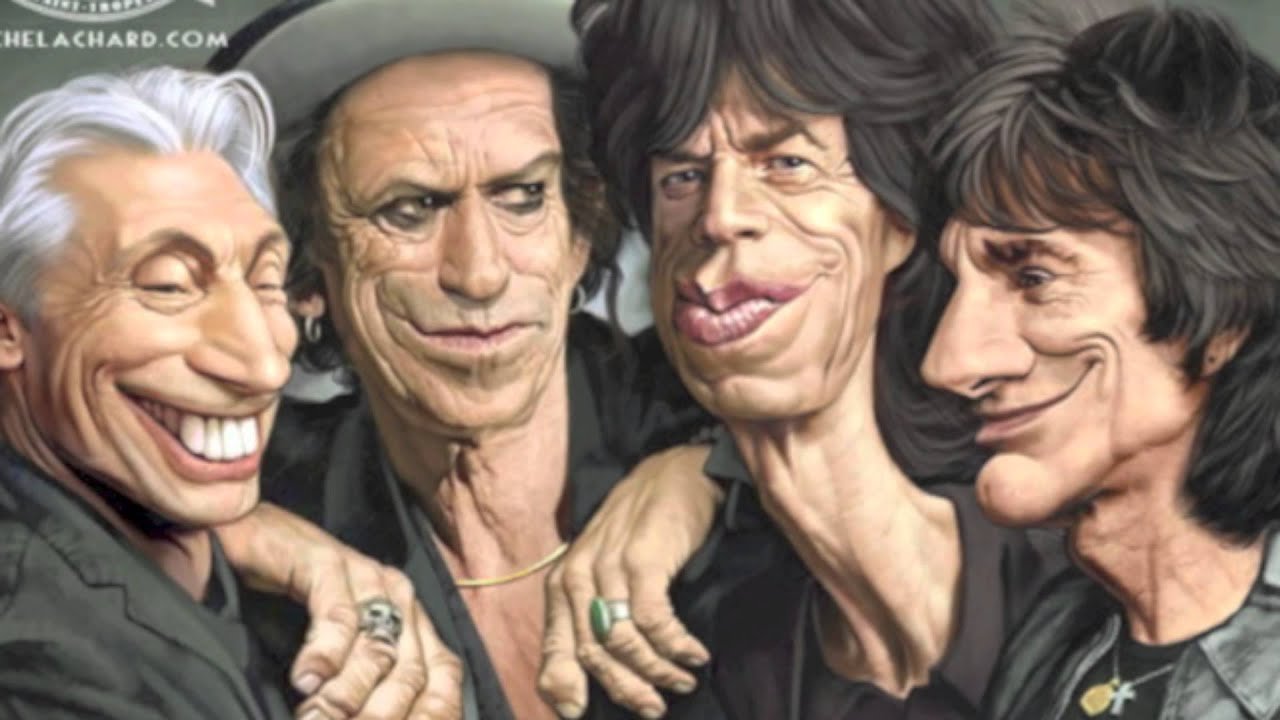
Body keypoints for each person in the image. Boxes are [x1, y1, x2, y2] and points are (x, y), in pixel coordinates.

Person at [536, 1, 1068, 719]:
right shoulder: (701, 645)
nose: (720, 215)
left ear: (899, 219)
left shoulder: (1081, 573)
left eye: (787, 163)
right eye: (681, 176)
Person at [207, 2, 714, 718]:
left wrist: (719, 469)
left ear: (580, 231)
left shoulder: (713, 411)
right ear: (306, 270)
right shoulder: (260, 485)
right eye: (409, 209)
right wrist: (239, 534)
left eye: (523, 196)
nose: (479, 274)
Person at [916, 6, 1280, 719]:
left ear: (1222, 316)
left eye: (1034, 277)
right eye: (957, 285)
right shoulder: (1051, 640)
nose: (949, 363)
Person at [0, 66, 298, 720]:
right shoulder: (40, 655)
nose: (263, 366)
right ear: (9, 329)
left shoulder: (228, 553)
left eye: (266, 281)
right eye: (167, 285)